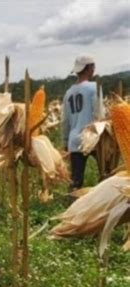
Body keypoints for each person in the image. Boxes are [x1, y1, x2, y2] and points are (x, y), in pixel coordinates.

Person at [62, 55, 97, 191]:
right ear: (88, 68)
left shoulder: (68, 93)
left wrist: (65, 142)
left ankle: (72, 204)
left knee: (76, 181)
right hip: (93, 138)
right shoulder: (93, 88)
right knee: (106, 175)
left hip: (74, 140)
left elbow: (65, 121)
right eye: (93, 66)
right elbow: (100, 114)